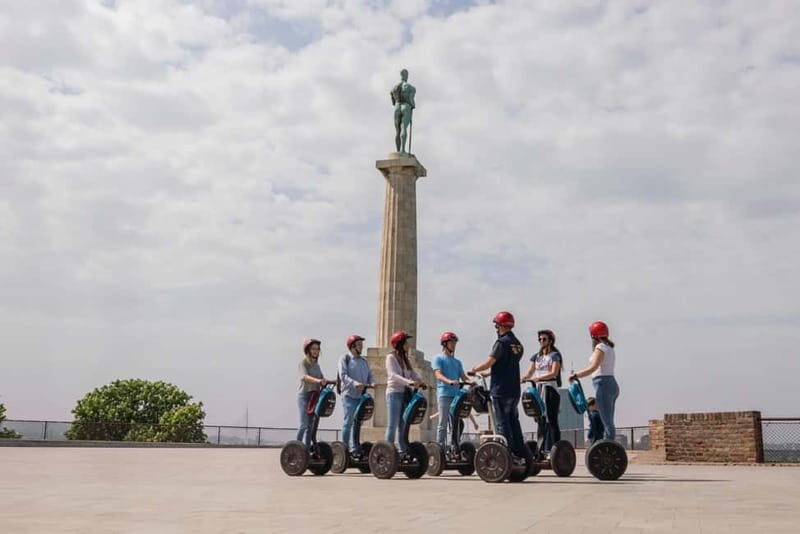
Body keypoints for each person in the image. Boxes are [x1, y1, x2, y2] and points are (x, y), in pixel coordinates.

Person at [468, 311, 527, 461]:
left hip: (500, 390)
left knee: (502, 423)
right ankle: (520, 453)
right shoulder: (518, 344)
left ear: (501, 326)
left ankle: (506, 455)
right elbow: (506, 365)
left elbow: (490, 361)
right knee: (514, 421)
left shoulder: (501, 343)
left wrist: (474, 369)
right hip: (514, 389)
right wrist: (489, 373)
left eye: (497, 326)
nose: (496, 329)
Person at [570, 321, 618, 441]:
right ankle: (610, 445)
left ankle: (609, 448)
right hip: (610, 383)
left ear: (593, 335)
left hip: (603, 384)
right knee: (608, 419)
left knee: (606, 421)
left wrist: (577, 375)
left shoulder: (600, 347)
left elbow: (593, 367)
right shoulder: (609, 348)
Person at [521, 329, 563, 453]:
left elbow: (554, 372)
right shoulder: (536, 357)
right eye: (540, 339)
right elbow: (529, 372)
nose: (541, 341)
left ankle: (555, 448)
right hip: (538, 390)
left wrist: (538, 378)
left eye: (544, 339)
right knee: (540, 419)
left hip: (550, 388)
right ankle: (541, 448)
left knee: (552, 419)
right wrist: (522, 378)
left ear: (550, 341)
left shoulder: (555, 355)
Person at [385, 331, 424, 455]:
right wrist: (410, 382)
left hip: (404, 394)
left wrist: (420, 381)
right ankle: (388, 451)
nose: (408, 344)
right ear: (400, 344)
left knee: (403, 424)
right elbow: (393, 375)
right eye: (406, 342)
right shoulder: (390, 358)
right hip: (394, 393)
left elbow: (412, 373)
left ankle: (402, 451)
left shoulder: (405, 359)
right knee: (392, 424)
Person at [338, 334, 375, 455]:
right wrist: (355, 383)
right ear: (352, 346)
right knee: (348, 421)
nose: (362, 346)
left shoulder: (364, 361)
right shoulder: (345, 358)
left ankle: (355, 448)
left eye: (361, 344)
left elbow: (369, 375)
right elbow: (343, 376)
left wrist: (372, 383)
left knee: (358, 422)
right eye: (359, 344)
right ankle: (344, 448)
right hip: (349, 395)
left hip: (361, 396)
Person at [432, 331, 470, 447]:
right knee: (443, 423)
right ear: (445, 344)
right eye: (451, 342)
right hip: (444, 394)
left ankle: (454, 447)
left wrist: (471, 382)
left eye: (455, 342)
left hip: (456, 396)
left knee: (457, 423)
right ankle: (440, 448)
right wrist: (450, 381)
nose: (454, 344)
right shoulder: (438, 358)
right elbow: (438, 374)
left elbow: (463, 376)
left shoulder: (457, 362)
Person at [297, 338, 333, 447]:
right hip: (304, 396)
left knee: (310, 426)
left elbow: (322, 378)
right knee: (304, 424)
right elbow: (304, 377)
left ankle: (306, 449)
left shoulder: (317, 366)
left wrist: (332, 381)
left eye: (317, 349)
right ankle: (297, 447)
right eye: (313, 349)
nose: (315, 351)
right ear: (308, 350)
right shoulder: (303, 363)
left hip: (315, 396)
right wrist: (318, 381)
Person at [390, 68, 416, 153]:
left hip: (397, 107)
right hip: (406, 106)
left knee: (397, 131)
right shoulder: (411, 87)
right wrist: (412, 106)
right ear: (406, 76)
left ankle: (398, 150)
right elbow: (411, 101)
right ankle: (402, 150)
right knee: (404, 128)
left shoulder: (394, 88)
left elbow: (393, 102)